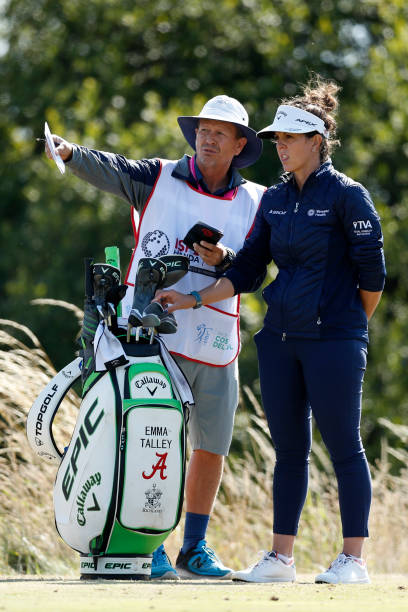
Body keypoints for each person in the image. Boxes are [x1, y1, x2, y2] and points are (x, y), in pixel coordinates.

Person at [154, 77, 386, 585]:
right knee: (289, 451)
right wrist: (191, 297)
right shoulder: (276, 199)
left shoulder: (349, 196)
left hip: (335, 340)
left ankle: (353, 560)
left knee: (344, 445)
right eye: (276, 139)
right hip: (281, 339)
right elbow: (249, 270)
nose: (278, 147)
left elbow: (373, 277)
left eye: (288, 139)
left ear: (316, 143)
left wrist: (347, 327)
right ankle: (281, 558)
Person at [45, 95, 265, 579]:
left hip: (213, 339)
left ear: (239, 145)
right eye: (203, 129)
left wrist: (224, 261)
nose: (207, 138)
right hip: (149, 339)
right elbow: (110, 167)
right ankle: (149, 543)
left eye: (219, 133)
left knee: (212, 447)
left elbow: (259, 270)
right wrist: (68, 154)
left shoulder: (259, 201)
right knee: (150, 437)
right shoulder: (159, 174)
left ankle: (195, 548)